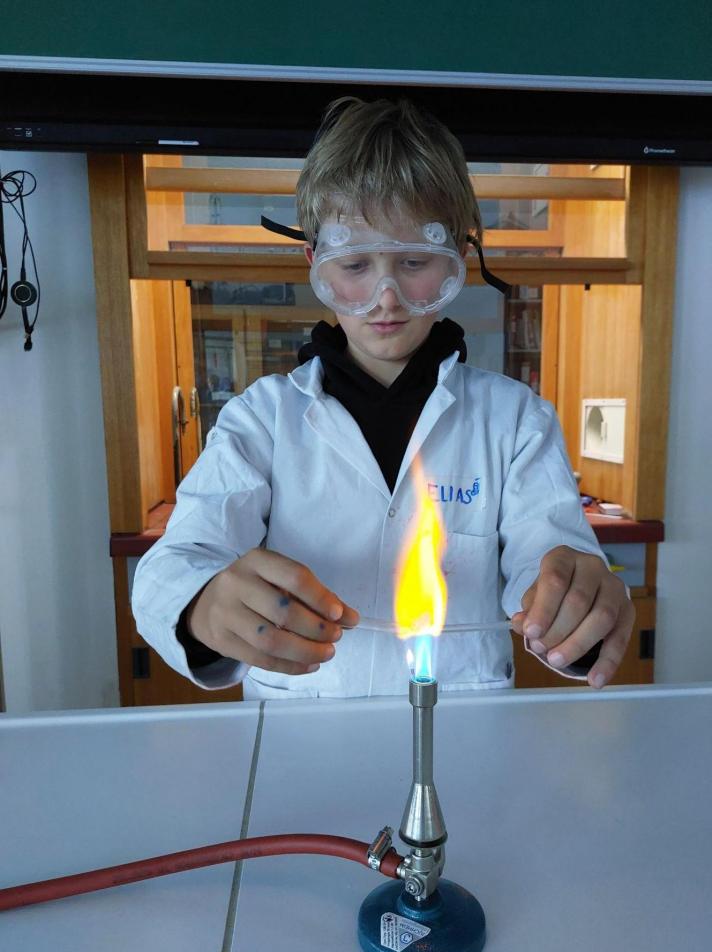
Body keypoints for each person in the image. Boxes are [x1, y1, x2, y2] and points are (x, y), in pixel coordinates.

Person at [132, 96, 634, 700]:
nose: (386, 296)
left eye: (415, 262)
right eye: (355, 266)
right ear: (315, 262)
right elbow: (176, 563)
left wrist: (576, 599)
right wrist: (202, 603)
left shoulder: (515, 420)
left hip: (463, 734)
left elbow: (550, 557)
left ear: (459, 259)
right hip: (305, 734)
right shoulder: (261, 421)